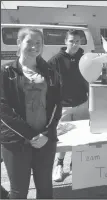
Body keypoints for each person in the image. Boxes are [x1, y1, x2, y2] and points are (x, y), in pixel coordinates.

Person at [0, 27, 62, 199]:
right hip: (16, 141)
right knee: (19, 192)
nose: (34, 46)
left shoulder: (50, 72)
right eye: (29, 42)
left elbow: (57, 106)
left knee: (45, 190)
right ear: (19, 43)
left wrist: (47, 134)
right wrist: (31, 135)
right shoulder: (5, 72)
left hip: (45, 141)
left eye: (38, 43)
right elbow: (3, 109)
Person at [48, 30, 89, 182]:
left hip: (82, 103)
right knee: (64, 139)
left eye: (77, 41)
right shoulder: (55, 60)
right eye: (71, 41)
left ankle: (76, 164)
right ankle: (59, 164)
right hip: (63, 106)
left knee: (81, 137)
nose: (74, 44)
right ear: (65, 41)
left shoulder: (84, 58)